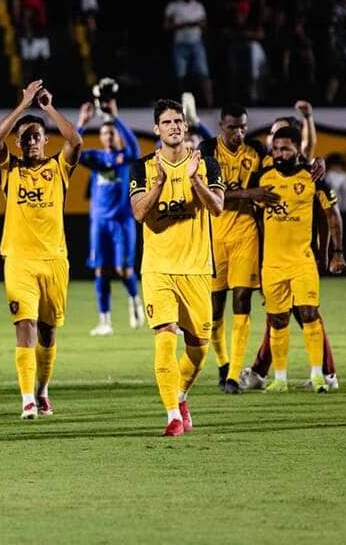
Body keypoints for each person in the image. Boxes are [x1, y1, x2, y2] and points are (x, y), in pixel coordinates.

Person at [130, 99, 225, 437]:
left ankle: (181, 395)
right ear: (156, 129)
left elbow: (217, 208)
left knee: (199, 349)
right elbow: (140, 214)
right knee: (165, 337)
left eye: (178, 121)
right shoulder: (142, 167)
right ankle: (172, 415)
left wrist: (194, 180)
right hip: (157, 268)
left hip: (197, 269)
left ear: (186, 127)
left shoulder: (207, 165)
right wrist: (158, 183)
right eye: (166, 122)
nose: (173, 126)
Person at [0, 80, 82, 418]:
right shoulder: (9, 168)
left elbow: (75, 141)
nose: (30, 141)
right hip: (18, 260)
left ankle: (42, 390)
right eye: (24, 137)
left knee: (47, 330)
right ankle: (27, 397)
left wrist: (46, 108)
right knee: (24, 324)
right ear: (18, 141)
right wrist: (22, 105)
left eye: (36, 136)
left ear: (45, 140)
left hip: (55, 260)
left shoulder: (59, 167)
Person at [253, 127, 345, 393]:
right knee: (277, 320)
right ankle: (280, 379)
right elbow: (256, 220)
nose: (279, 154)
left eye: (285, 149)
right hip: (271, 263)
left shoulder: (314, 178)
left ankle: (317, 376)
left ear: (297, 150)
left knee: (309, 314)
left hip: (302, 260)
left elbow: (333, 216)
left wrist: (336, 253)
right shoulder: (263, 177)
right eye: (276, 148)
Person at [198, 104, 271, 394]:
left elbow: (281, 169)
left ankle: (233, 375)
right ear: (221, 126)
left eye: (242, 127)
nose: (238, 133)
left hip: (245, 234)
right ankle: (223, 363)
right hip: (214, 236)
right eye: (232, 127)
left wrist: (316, 163)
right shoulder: (207, 150)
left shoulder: (256, 152)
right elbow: (206, 194)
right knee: (216, 308)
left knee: (243, 301)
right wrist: (246, 193)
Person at [75, 95, 143, 335]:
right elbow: (73, 152)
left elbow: (135, 148)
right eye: (106, 132)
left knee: (124, 270)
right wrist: (81, 122)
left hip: (122, 221)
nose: (110, 136)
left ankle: (135, 300)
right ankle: (105, 321)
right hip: (99, 222)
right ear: (101, 136)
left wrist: (115, 117)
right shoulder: (96, 158)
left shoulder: (126, 158)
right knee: (101, 270)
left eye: (113, 132)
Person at [164, 0, 213, 106]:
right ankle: (180, 104)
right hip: (180, 44)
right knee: (180, 76)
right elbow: (166, 26)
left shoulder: (198, 6)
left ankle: (210, 103)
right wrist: (185, 24)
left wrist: (196, 24)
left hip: (196, 43)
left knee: (203, 73)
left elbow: (204, 24)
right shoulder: (174, 6)